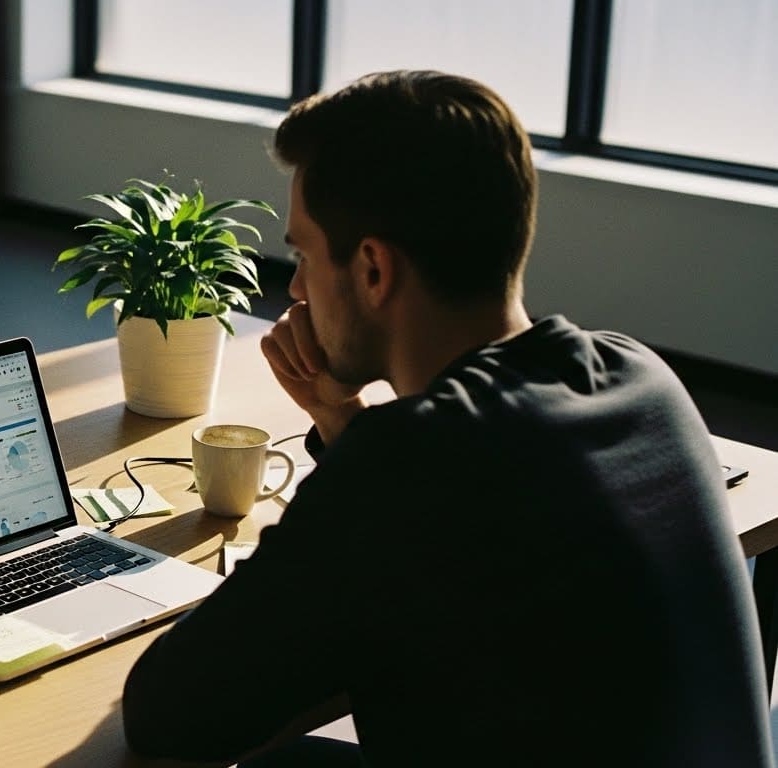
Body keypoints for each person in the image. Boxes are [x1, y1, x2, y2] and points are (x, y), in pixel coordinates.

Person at [121, 70, 771, 766]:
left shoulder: (408, 463)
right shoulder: (637, 375)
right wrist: (340, 421)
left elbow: (169, 714)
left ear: (373, 269)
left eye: (304, 255)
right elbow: (476, 530)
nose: (298, 287)